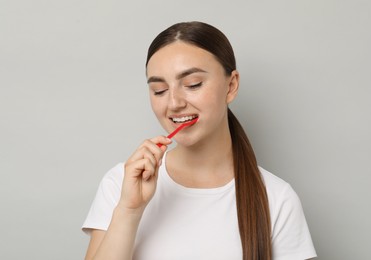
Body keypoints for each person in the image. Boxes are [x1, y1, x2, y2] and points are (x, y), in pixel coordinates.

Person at [82, 21, 317, 260]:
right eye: (159, 90)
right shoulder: (121, 185)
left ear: (231, 86)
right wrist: (129, 211)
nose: (174, 103)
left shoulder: (276, 198)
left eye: (192, 84)